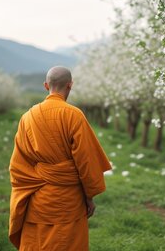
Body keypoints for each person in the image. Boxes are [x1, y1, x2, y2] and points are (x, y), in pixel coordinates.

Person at [8, 66, 111, 250]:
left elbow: (19, 163)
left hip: (38, 198)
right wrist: (89, 197)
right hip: (69, 199)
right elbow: (86, 161)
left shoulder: (27, 117)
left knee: (37, 242)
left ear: (46, 85)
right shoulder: (74, 115)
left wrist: (32, 183)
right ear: (70, 86)